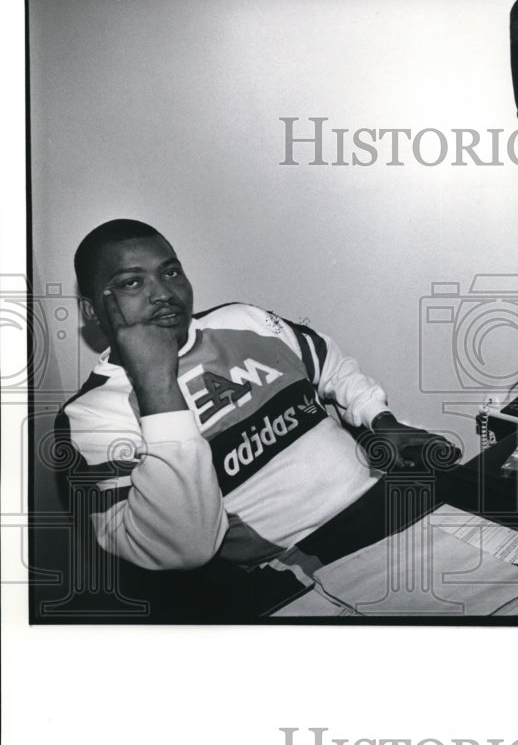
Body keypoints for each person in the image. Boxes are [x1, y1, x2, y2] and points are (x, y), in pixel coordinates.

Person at [56, 219, 459, 580]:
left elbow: (329, 362)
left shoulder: (240, 320)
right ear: (93, 311)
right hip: (301, 562)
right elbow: (185, 547)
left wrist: (380, 419)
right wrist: (156, 386)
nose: (163, 293)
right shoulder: (91, 416)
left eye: (171, 271)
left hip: (389, 497)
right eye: (132, 282)